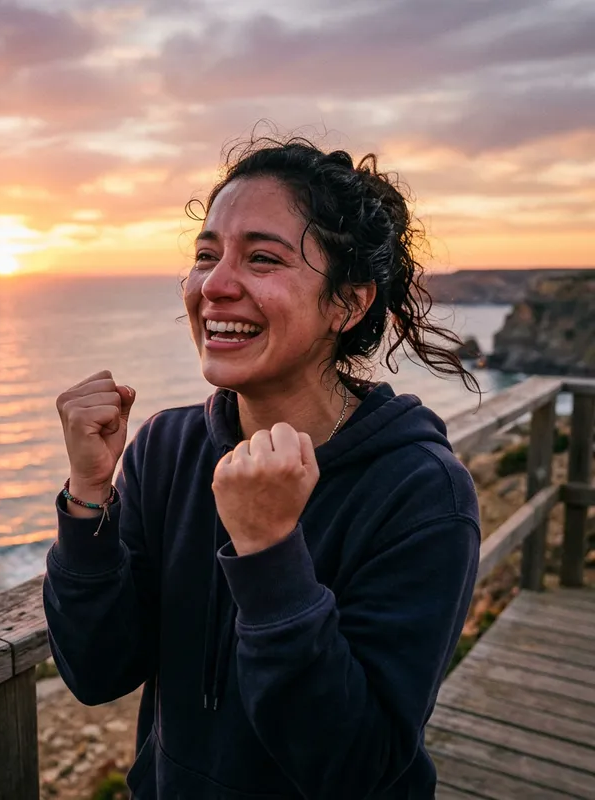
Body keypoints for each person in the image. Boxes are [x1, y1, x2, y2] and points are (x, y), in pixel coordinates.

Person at [43, 136, 481, 799]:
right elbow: (97, 671)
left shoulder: (421, 492)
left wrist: (270, 552)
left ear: (348, 303)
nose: (215, 285)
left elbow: (355, 768)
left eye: (263, 258)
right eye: (205, 255)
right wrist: (88, 498)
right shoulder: (167, 448)